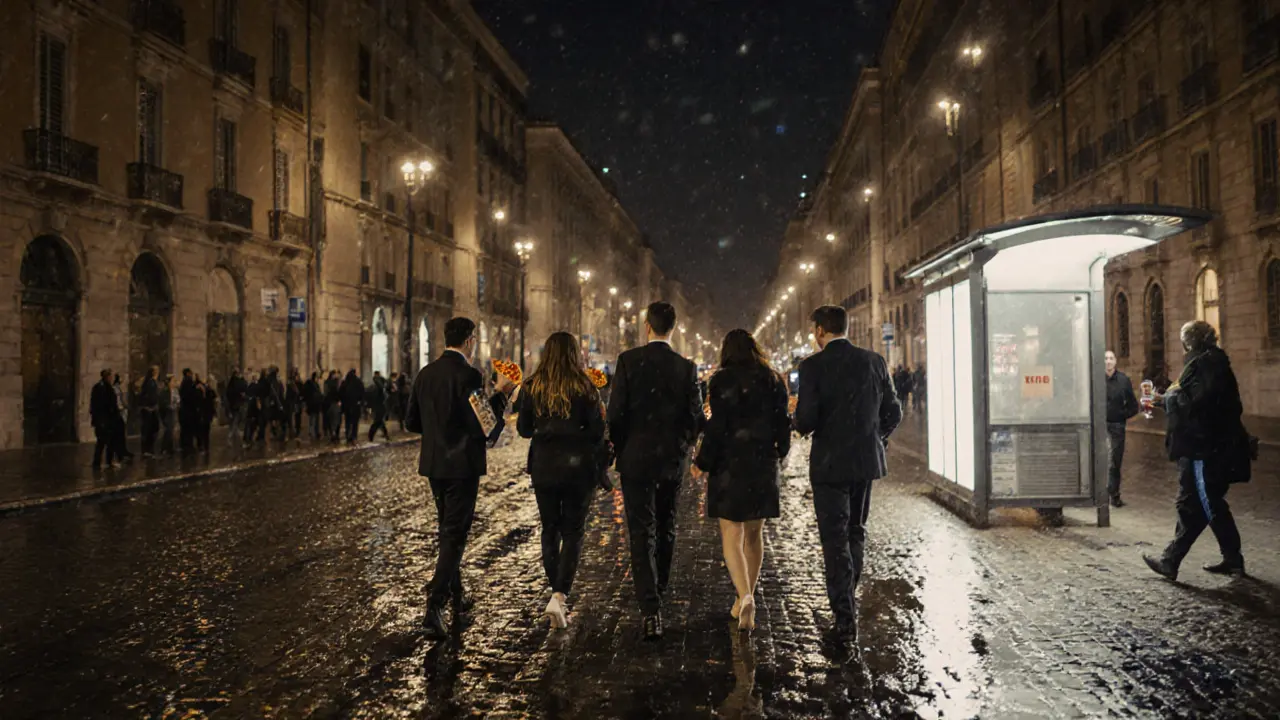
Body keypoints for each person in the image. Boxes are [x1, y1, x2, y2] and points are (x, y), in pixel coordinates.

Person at [794, 305, 902, 649]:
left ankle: (844, 618)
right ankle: (847, 598)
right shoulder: (874, 361)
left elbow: (806, 420)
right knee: (855, 529)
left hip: (829, 464)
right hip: (864, 461)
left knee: (834, 538)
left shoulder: (812, 366)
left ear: (820, 331)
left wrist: (799, 422)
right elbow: (894, 411)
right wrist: (875, 436)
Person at [405, 317, 516, 639]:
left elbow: (412, 422)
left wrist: (439, 429)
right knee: (455, 535)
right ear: (469, 340)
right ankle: (435, 604)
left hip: (434, 466)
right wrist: (501, 394)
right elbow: (485, 424)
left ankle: (456, 593)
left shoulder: (425, 374)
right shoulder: (469, 375)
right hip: (462, 467)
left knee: (448, 529)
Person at [607, 301, 704, 641]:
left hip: (635, 461)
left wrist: (624, 446)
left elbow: (615, 414)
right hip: (670, 462)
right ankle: (659, 589)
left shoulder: (628, 361)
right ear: (672, 329)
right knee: (666, 527)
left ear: (647, 326)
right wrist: (682, 444)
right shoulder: (686, 368)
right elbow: (695, 418)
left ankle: (650, 609)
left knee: (641, 532)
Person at [694, 329, 791, 634]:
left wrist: (702, 462)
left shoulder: (721, 381)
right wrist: (781, 450)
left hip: (729, 463)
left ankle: (745, 595)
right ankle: (744, 597)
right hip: (762, 462)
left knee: (731, 533)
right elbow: (782, 422)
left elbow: (717, 426)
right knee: (754, 534)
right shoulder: (773, 379)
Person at [1144, 321, 1251, 581]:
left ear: (1190, 342)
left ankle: (1171, 560)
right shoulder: (1209, 362)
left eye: (1184, 340)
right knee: (1208, 503)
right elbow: (1191, 398)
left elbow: (1197, 404)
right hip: (1206, 446)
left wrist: (1168, 399)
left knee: (1198, 504)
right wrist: (1164, 399)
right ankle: (1232, 558)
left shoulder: (1206, 364)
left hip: (1203, 449)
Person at [516, 332, 606, 629]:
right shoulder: (585, 387)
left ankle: (555, 588)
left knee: (550, 529)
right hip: (578, 468)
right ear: (574, 355)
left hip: (544, 467)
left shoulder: (532, 386)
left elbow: (524, 429)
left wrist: (545, 427)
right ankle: (559, 594)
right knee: (573, 531)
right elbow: (596, 432)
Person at [1104, 350, 1140, 508]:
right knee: (1101, 461)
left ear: (1115, 361)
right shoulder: (1096, 380)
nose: (1108, 361)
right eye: (1105, 358)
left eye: (1111, 358)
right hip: (1100, 426)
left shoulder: (1123, 380)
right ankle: (1101, 494)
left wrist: (1121, 415)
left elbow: (1133, 405)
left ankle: (1114, 495)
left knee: (1115, 461)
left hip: (1117, 426)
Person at [90, 369, 119, 469]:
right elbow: (98, 405)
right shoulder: (101, 388)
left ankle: (107, 461)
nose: (112, 378)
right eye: (111, 376)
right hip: (104, 420)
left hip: (108, 419)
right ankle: (98, 462)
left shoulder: (106, 387)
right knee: (102, 441)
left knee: (109, 441)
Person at [111, 374, 133, 461]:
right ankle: (119, 452)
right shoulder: (115, 389)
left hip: (121, 411)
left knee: (121, 433)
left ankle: (122, 451)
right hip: (118, 412)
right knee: (119, 433)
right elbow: (118, 400)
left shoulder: (118, 388)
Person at [340, 369, 365, 443]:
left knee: (348, 421)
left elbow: (341, 394)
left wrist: (343, 402)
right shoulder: (358, 382)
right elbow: (362, 393)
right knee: (355, 422)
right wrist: (361, 402)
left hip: (347, 406)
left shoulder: (345, 382)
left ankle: (348, 435)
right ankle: (354, 436)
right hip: (356, 405)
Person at [225, 368, 248, 446]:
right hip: (238, 405)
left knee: (235, 423)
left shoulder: (231, 383)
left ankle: (236, 439)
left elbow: (228, 394)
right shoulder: (238, 382)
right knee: (236, 423)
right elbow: (244, 388)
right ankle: (233, 438)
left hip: (233, 406)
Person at [178, 369, 199, 453]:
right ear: (187, 373)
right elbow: (192, 395)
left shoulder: (183, 382)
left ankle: (184, 444)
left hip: (184, 409)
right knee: (189, 428)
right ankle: (188, 445)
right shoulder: (189, 382)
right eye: (190, 373)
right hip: (189, 409)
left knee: (184, 429)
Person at [367, 371, 390, 442]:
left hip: (378, 406)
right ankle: (371, 436)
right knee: (378, 422)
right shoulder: (379, 387)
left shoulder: (374, 387)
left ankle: (385, 435)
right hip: (380, 406)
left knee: (379, 421)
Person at [158, 374, 177, 456]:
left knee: (170, 430)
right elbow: (163, 402)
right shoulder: (164, 391)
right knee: (168, 430)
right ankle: (164, 448)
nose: (174, 383)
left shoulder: (173, 390)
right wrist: (168, 406)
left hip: (171, 411)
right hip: (166, 412)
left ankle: (169, 448)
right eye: (173, 381)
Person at [304, 371, 324, 440]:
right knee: (312, 419)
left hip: (316, 404)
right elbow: (308, 394)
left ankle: (316, 432)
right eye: (317, 377)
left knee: (316, 419)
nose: (317, 378)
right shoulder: (310, 384)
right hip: (312, 404)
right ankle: (312, 432)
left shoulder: (316, 384)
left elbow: (319, 393)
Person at [324, 370, 342, 442]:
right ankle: (334, 434)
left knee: (332, 420)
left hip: (330, 404)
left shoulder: (328, 382)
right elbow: (337, 393)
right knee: (336, 420)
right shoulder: (334, 384)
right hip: (334, 404)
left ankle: (333, 433)